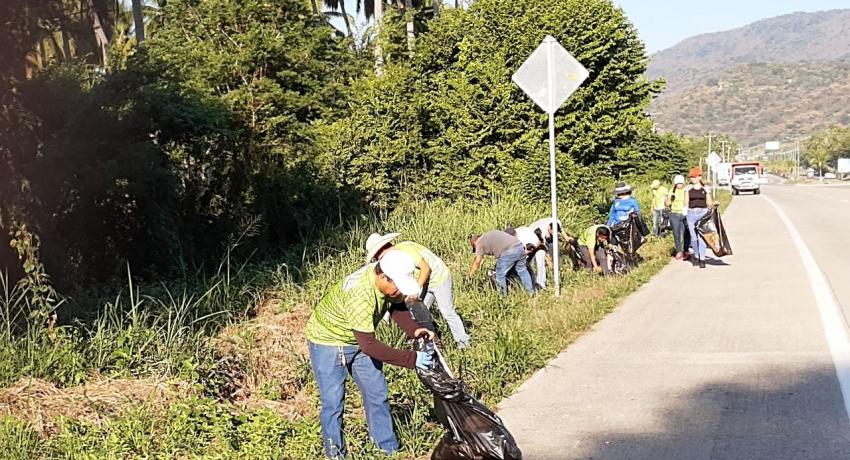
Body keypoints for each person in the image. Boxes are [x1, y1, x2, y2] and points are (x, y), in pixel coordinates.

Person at [305, 251, 436, 458]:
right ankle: (336, 455)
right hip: (329, 343)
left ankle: (387, 450)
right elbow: (369, 345)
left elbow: (395, 304)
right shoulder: (360, 294)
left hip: (359, 339)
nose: (398, 292)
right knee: (333, 404)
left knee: (378, 394)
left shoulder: (386, 279)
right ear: (383, 277)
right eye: (396, 287)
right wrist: (412, 359)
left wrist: (414, 330)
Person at [365, 233, 471, 349]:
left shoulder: (406, 249)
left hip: (439, 278)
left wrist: (416, 291)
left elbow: (426, 269)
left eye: (378, 257)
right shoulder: (394, 260)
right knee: (420, 311)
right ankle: (434, 342)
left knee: (447, 312)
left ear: (382, 250)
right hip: (425, 283)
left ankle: (463, 343)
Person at [468, 230, 535, 295]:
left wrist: (470, 275)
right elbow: (481, 260)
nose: (477, 250)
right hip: (519, 246)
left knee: (499, 275)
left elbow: (477, 262)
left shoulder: (480, 243)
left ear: (475, 243)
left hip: (510, 251)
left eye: (475, 248)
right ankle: (531, 293)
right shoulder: (489, 235)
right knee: (522, 271)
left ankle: (503, 297)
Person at [527, 217, 572, 290]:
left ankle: (554, 277)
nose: (554, 234)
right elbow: (542, 245)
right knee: (540, 258)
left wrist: (567, 238)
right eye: (552, 232)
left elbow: (561, 230)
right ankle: (540, 283)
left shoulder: (557, 222)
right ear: (549, 228)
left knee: (555, 250)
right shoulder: (542, 230)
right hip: (534, 237)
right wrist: (548, 260)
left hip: (546, 239)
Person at [685, 167, 716, 269]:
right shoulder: (688, 189)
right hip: (691, 213)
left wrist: (713, 205)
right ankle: (696, 256)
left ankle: (702, 259)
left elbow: (709, 202)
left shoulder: (705, 189)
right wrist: (684, 210)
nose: (692, 179)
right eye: (691, 177)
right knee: (693, 238)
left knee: (701, 237)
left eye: (694, 177)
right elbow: (686, 202)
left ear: (699, 177)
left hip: (702, 213)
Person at [666, 175, 688, 260]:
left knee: (685, 233)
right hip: (674, 214)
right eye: (677, 183)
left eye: (681, 183)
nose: (679, 185)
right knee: (676, 233)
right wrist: (669, 200)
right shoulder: (671, 191)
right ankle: (679, 251)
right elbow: (667, 204)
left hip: (684, 214)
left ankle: (685, 250)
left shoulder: (686, 190)